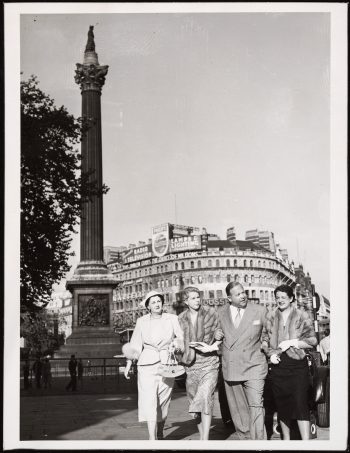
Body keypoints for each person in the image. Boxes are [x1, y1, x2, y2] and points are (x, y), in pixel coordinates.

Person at [123, 290, 184, 440]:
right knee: (149, 400)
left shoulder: (172, 318)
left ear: (162, 303)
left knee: (163, 402)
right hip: (146, 365)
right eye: (153, 302)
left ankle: (160, 431)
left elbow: (180, 338)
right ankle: (152, 439)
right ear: (148, 306)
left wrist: (176, 346)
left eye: (159, 301)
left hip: (167, 365)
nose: (157, 304)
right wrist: (129, 363)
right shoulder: (141, 321)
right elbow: (135, 344)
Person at [263, 284, 317, 440]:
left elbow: (312, 341)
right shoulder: (270, 316)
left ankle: (305, 443)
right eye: (277, 297)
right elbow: (264, 338)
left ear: (291, 298)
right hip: (278, 366)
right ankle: (286, 441)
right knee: (282, 405)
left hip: (298, 366)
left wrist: (293, 342)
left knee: (300, 404)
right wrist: (270, 355)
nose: (280, 300)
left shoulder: (302, 315)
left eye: (283, 297)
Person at [214, 281, 268, 440]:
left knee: (256, 405)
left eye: (243, 292)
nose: (243, 296)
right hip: (232, 366)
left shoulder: (259, 310)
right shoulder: (220, 312)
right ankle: (246, 440)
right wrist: (216, 334)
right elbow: (214, 331)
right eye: (238, 294)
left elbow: (268, 332)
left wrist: (265, 342)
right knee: (239, 410)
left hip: (254, 364)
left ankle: (260, 443)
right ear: (229, 298)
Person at [178, 287, 221, 440]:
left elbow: (219, 331)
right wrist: (176, 347)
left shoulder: (211, 313)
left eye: (198, 297)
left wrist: (215, 343)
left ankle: (205, 439)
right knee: (194, 403)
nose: (197, 300)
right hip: (191, 364)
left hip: (210, 362)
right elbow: (178, 340)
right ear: (186, 301)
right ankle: (202, 434)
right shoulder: (181, 318)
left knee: (205, 397)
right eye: (193, 298)